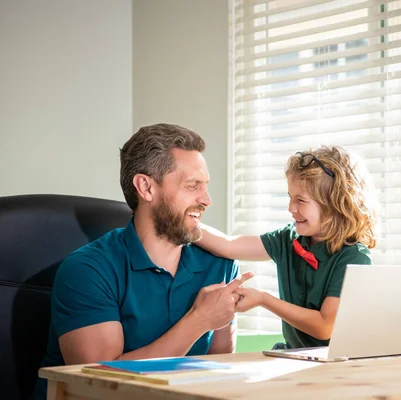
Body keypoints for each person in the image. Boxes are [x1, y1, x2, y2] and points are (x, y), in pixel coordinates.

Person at [35, 123, 252, 399]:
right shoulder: (87, 271)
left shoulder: (219, 265)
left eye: (205, 186)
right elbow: (98, 385)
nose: (206, 199)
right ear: (146, 187)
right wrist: (198, 321)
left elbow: (215, 375)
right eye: (192, 186)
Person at [197, 146, 377, 349]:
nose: (291, 208)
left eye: (300, 200)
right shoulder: (288, 239)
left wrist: (263, 299)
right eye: (290, 197)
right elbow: (229, 246)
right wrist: (186, 221)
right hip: (294, 357)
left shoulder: (353, 256)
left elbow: (324, 326)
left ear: (335, 204)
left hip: (334, 365)